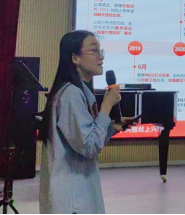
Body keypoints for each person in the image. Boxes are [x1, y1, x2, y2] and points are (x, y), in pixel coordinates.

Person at [39, 31, 134, 214]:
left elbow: (85, 137)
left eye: (101, 51)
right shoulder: (71, 94)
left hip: (79, 192)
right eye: (94, 51)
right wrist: (106, 106)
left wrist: (111, 128)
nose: (101, 57)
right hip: (73, 198)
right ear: (75, 58)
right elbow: (89, 146)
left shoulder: (80, 91)